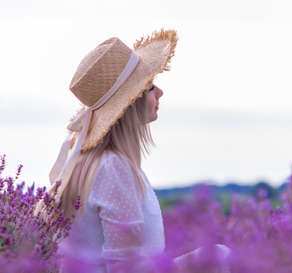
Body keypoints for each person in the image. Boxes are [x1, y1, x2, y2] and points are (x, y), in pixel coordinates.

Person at [44, 29, 230, 273]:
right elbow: (126, 268)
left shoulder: (87, 162)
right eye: (150, 85)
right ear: (132, 101)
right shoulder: (113, 168)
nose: (160, 92)